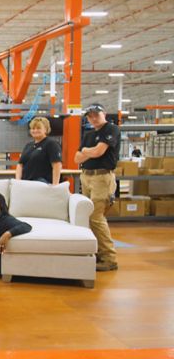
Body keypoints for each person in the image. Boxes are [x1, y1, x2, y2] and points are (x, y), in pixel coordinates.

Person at [75, 103, 120, 272]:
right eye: (90, 116)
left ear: (104, 113)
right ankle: (98, 254)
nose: (93, 118)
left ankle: (109, 258)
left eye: (96, 114)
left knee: (96, 217)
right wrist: (88, 151)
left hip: (102, 178)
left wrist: (86, 151)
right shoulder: (88, 134)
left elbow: (98, 152)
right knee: (87, 216)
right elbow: (76, 158)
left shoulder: (111, 129)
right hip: (86, 176)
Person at [15, 117, 63, 185]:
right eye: (33, 128)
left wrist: (55, 185)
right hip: (26, 183)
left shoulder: (51, 144)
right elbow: (20, 164)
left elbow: (57, 165)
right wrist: (18, 182)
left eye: (38, 128)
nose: (35, 130)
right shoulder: (28, 145)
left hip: (42, 184)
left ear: (46, 129)